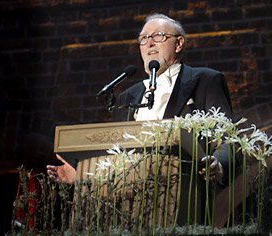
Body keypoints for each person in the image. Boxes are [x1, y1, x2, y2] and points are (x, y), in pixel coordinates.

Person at [47, 13, 233, 186]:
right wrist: (82, 174)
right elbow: (117, 156)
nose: (150, 43)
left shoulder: (206, 80)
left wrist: (220, 166)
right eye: (144, 38)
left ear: (178, 44)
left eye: (158, 35)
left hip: (187, 188)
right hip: (131, 195)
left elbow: (227, 139)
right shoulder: (127, 96)